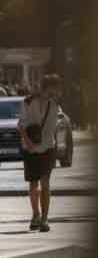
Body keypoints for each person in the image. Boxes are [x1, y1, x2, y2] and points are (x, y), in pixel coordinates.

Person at [17, 74, 61, 232]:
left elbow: (58, 124)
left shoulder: (55, 104)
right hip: (30, 148)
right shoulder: (28, 102)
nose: (56, 91)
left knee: (46, 182)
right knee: (33, 184)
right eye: (54, 88)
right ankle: (35, 214)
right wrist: (28, 143)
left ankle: (44, 219)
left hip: (48, 148)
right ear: (46, 87)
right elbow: (20, 125)